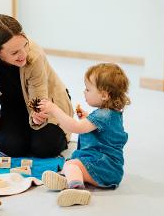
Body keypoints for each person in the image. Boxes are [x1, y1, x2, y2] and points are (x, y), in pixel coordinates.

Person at [0, 14, 73, 158]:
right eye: (14, 52)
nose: (23, 54)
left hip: (48, 100)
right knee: (12, 147)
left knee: (45, 147)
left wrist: (37, 117)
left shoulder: (34, 55)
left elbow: (39, 101)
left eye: (25, 45)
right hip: (13, 103)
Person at [39, 63, 130, 207]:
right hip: (107, 166)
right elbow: (101, 131)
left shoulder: (102, 115)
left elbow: (75, 127)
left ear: (105, 95)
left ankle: (77, 189)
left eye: (88, 89)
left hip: (105, 167)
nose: (84, 92)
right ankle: (66, 179)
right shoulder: (109, 113)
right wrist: (87, 118)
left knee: (72, 164)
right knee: (71, 164)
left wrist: (54, 109)